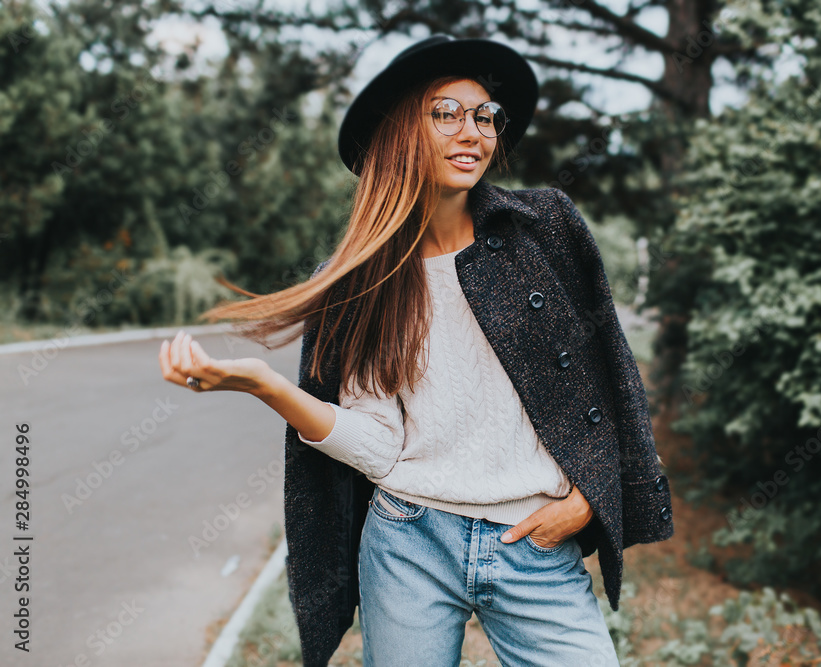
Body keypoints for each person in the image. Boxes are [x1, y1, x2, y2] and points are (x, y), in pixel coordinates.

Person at [159, 34, 673, 667]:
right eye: (445, 113)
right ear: (401, 131)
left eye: (485, 116)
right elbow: (379, 444)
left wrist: (590, 499)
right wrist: (265, 386)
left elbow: (611, 377)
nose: (474, 132)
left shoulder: (545, 229)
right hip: (409, 542)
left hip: (536, 542)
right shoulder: (364, 281)